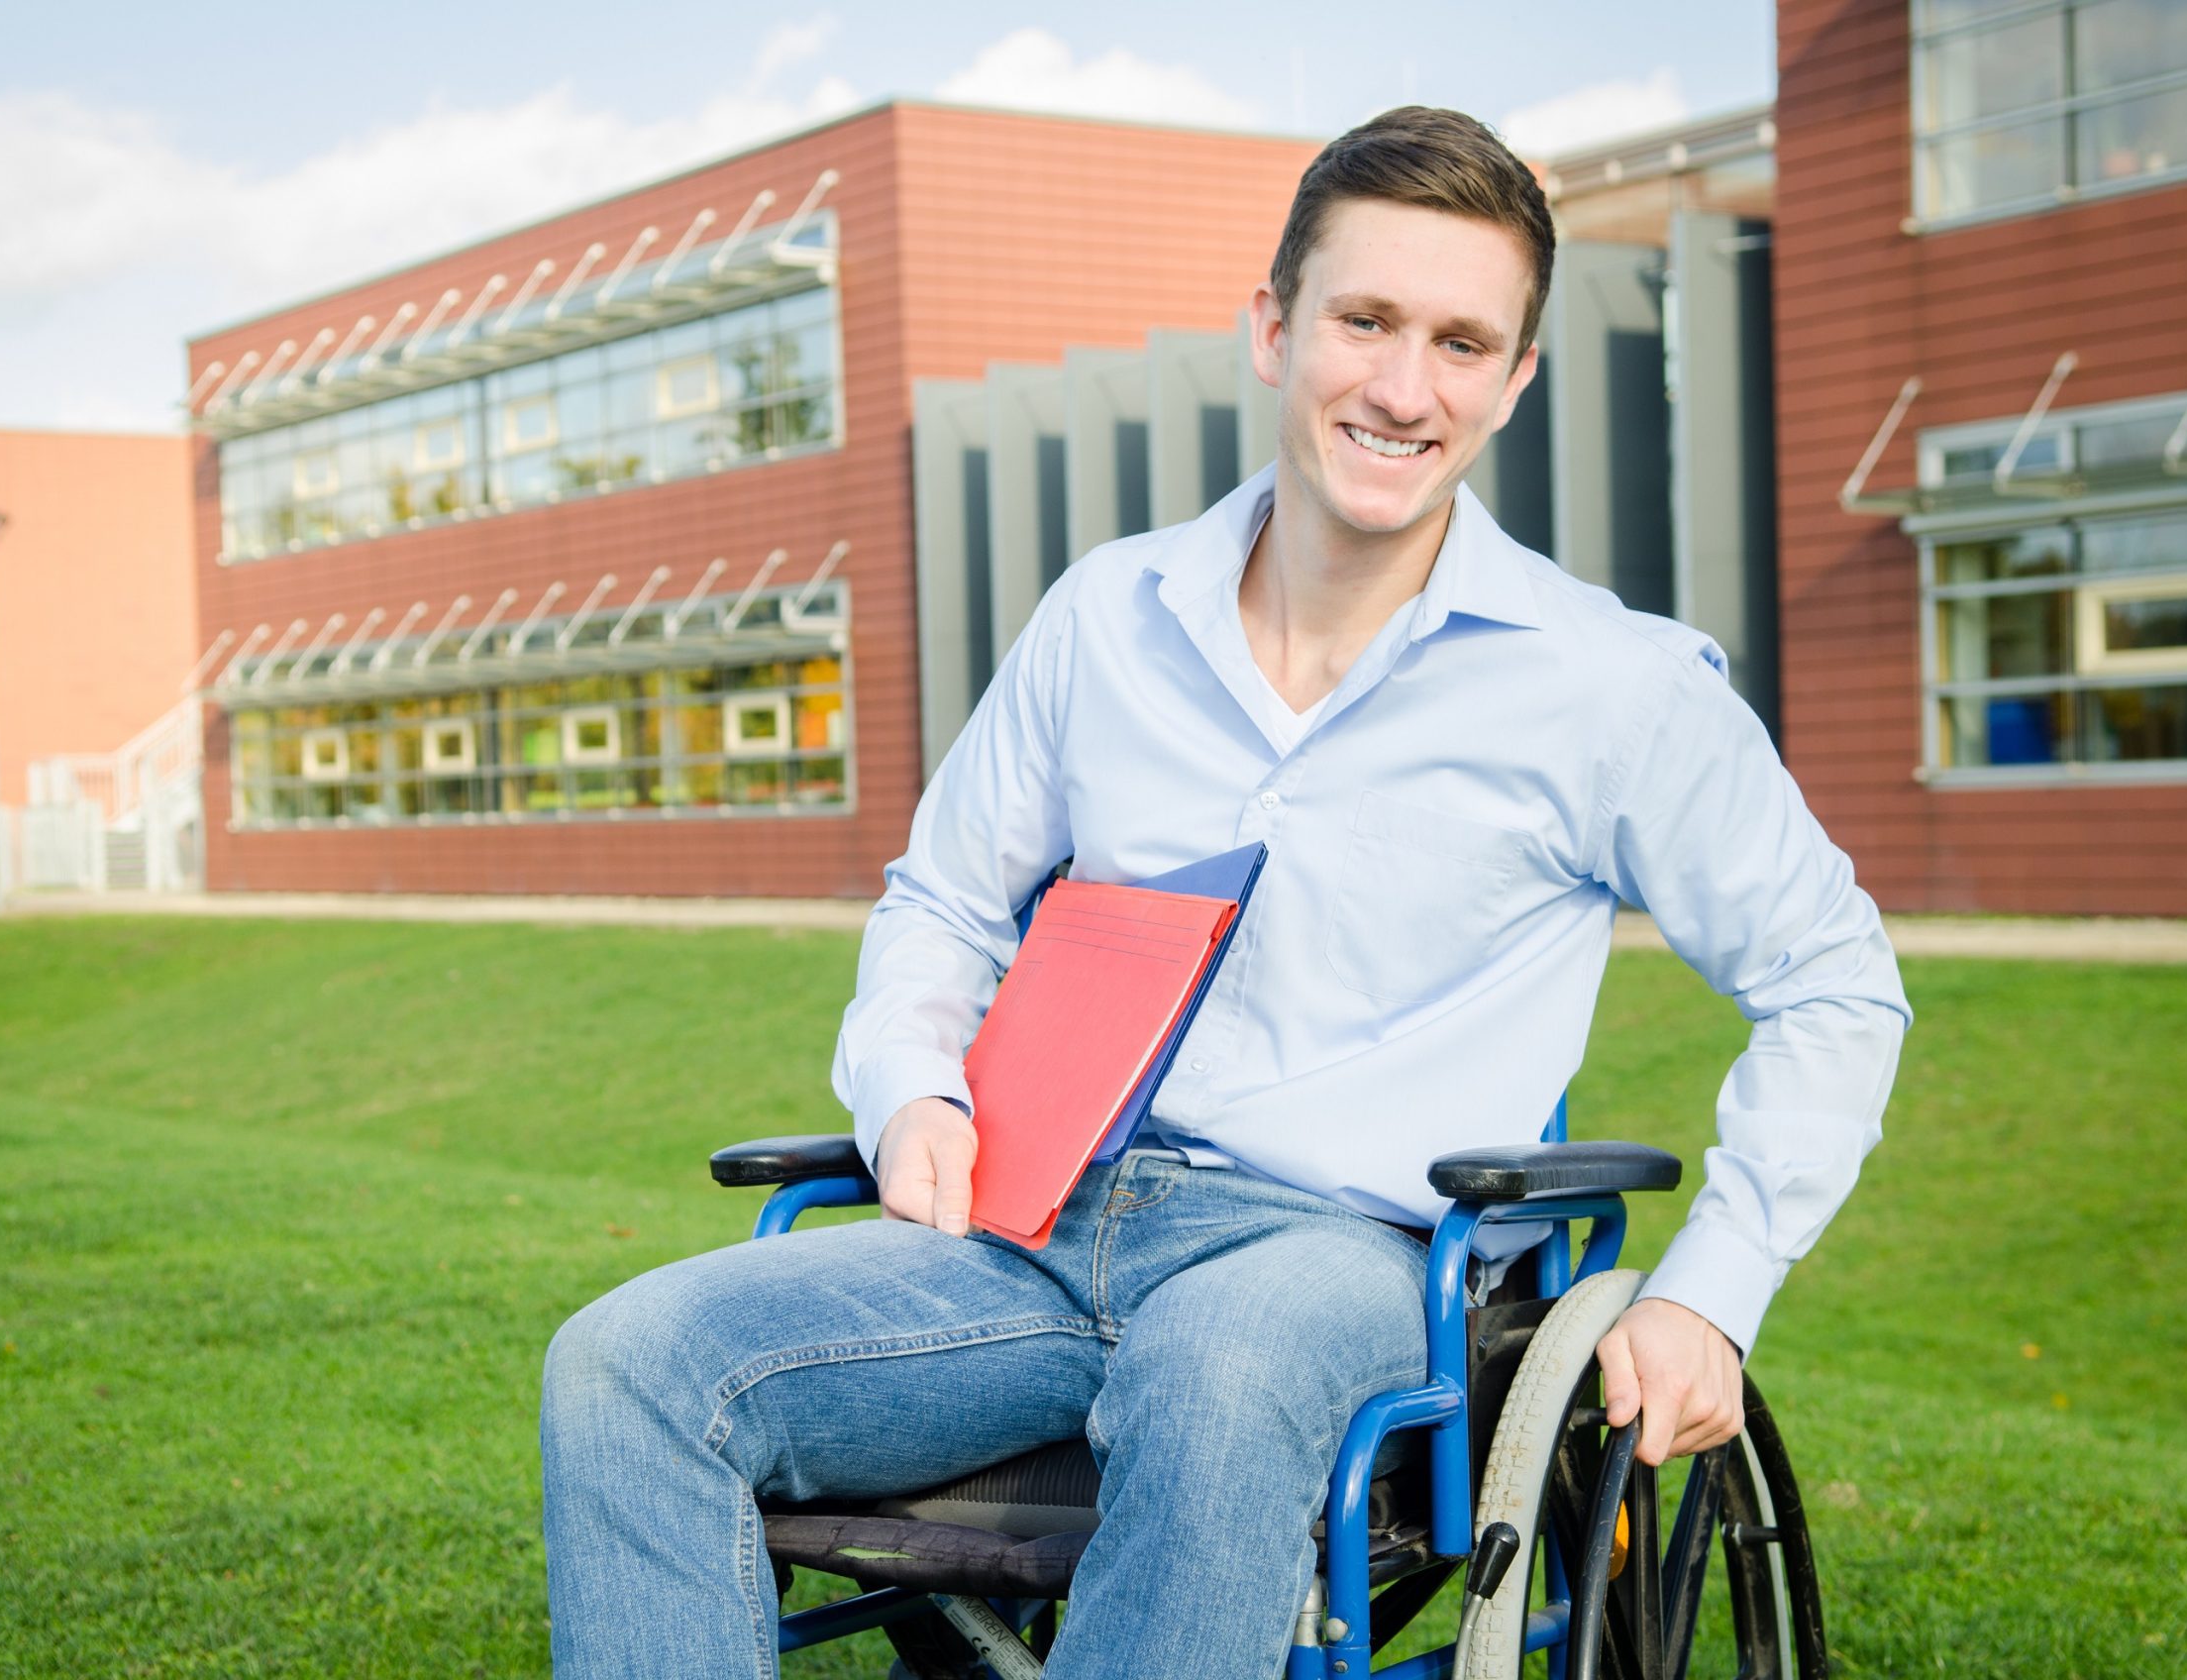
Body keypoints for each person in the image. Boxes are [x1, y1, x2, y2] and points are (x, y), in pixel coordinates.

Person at [541, 105, 1911, 1679]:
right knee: (628, 1365)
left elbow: (1833, 983)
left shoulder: (1612, 688)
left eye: (1463, 342)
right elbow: (944, 903)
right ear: (1274, 329)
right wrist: (913, 1089)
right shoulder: (1104, 619)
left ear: (1518, 379)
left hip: (1344, 1257)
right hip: (1033, 1223)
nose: (1406, 388)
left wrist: (1713, 1296)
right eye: (1367, 320)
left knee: (1214, 1366)